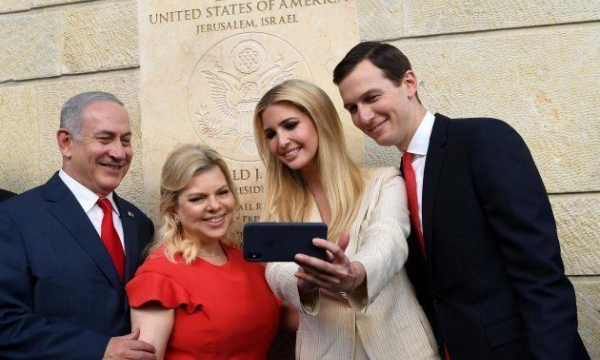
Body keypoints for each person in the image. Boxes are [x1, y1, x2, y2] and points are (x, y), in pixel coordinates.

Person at [333, 41, 590, 360]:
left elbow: (540, 273)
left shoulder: (483, 140)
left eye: (371, 97)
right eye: (353, 108)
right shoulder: (399, 176)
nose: (364, 116)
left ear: (409, 83)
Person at [253, 79, 439, 359]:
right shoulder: (281, 206)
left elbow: (388, 241)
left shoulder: (383, 181)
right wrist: (304, 282)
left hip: (400, 346)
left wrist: (355, 274)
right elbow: (276, 270)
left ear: (320, 120)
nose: (281, 141)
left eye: (290, 125)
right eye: (270, 134)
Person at [0, 92, 156, 359]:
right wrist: (97, 349)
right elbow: (6, 324)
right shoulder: (14, 218)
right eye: (105, 139)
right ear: (66, 143)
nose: (119, 153)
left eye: (126, 140)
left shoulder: (139, 223)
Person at [125, 144, 280, 360]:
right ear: (173, 209)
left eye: (222, 193)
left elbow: (288, 321)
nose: (215, 205)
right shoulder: (158, 277)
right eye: (198, 198)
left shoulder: (247, 263)